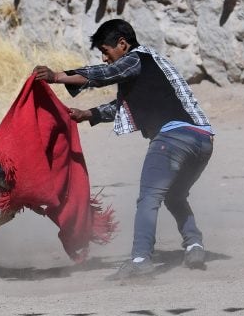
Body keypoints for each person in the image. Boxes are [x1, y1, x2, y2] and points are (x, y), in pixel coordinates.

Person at [33, 18, 214, 279]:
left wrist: (57, 76)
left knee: (148, 199)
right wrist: (88, 114)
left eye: (106, 52)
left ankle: (140, 260)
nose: (105, 59)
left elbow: (105, 75)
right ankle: (195, 245)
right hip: (202, 141)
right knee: (174, 196)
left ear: (122, 44)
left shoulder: (134, 58)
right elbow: (125, 108)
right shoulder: (154, 65)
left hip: (171, 140)